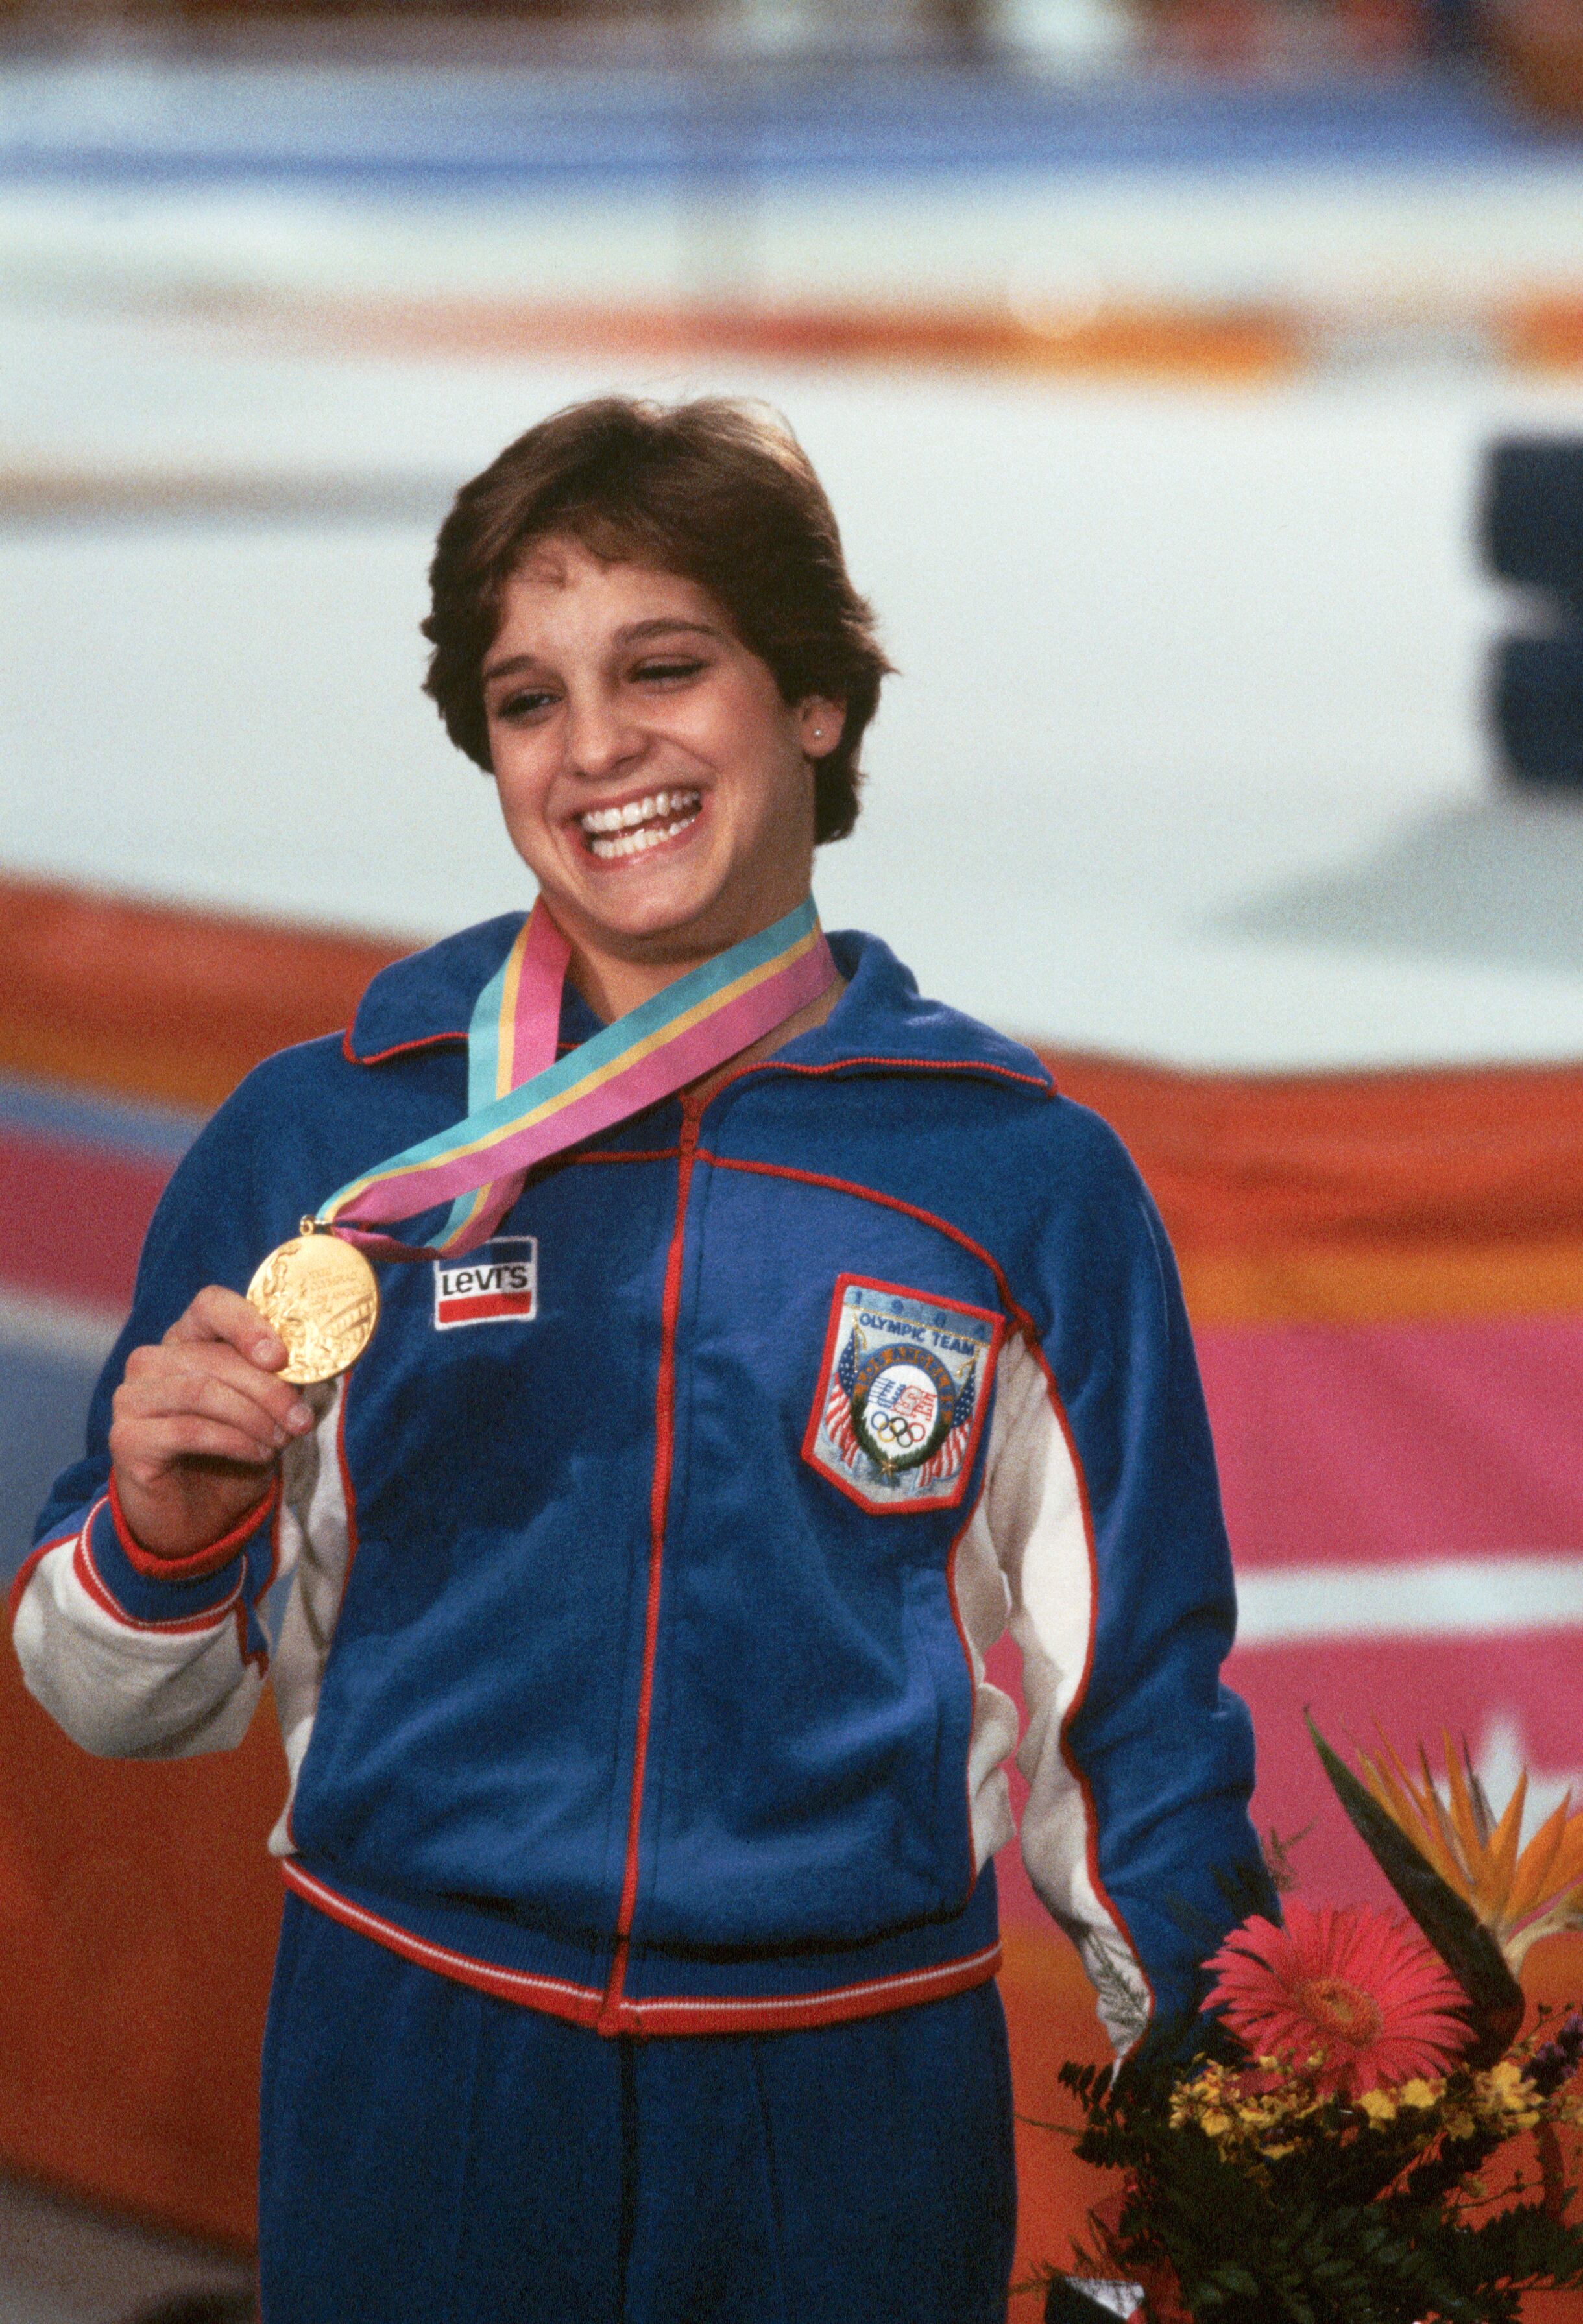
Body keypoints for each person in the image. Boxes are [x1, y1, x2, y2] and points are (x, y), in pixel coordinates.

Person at [14, 397, 1267, 2323]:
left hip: (843, 2085)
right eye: (530, 701)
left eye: (664, 667)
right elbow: (112, 1699)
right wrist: (167, 1528)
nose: (596, 748)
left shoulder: (1015, 1176)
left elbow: (1141, 1725)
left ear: (819, 702)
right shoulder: (323, 1142)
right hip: (410, 2058)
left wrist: (1251, 2141)